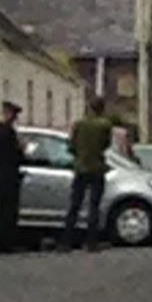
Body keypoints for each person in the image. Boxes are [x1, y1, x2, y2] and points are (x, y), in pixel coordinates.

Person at [64, 94, 114, 251]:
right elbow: (106, 145)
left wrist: (80, 155)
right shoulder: (105, 125)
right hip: (97, 168)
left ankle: (66, 241)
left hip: (80, 168)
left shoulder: (78, 124)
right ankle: (91, 242)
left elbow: (71, 147)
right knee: (94, 206)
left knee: (75, 205)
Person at [0, 101, 26, 253]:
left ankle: (3, 241)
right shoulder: (8, 133)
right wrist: (22, 149)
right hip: (9, 173)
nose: (15, 118)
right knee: (9, 209)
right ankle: (5, 242)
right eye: (14, 115)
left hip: (1, 172)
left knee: (4, 208)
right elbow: (16, 155)